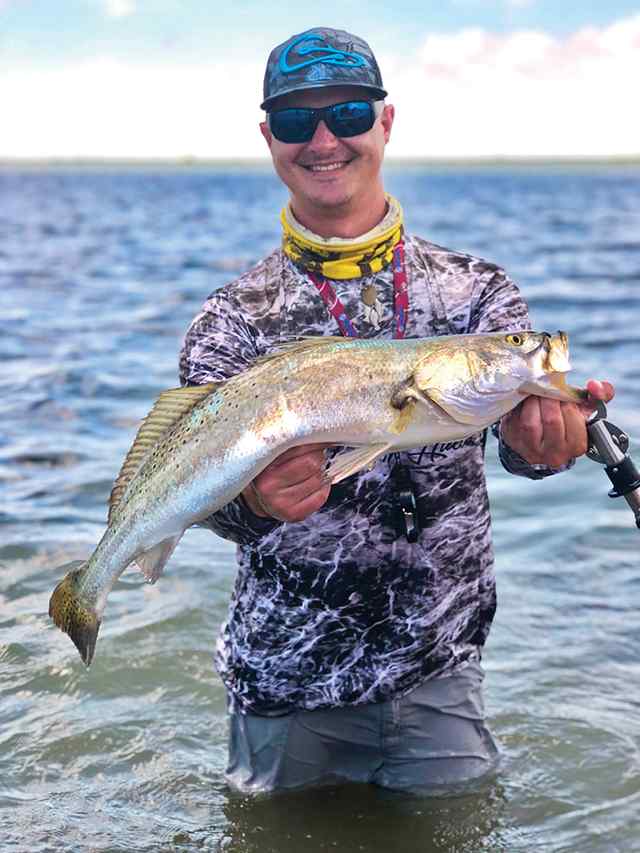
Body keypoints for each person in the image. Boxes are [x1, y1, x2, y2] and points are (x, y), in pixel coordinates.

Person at [179, 27, 614, 793]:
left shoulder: (476, 294)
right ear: (268, 139)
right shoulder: (230, 320)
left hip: (440, 676)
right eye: (294, 121)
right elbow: (208, 506)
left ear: (385, 122)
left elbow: (516, 442)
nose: (322, 140)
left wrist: (544, 445)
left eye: (346, 114)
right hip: (284, 686)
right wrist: (254, 500)